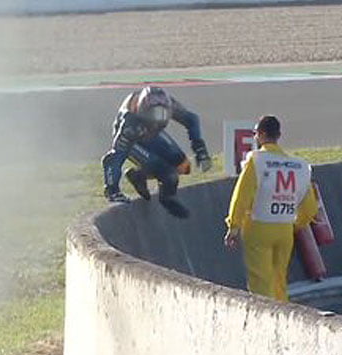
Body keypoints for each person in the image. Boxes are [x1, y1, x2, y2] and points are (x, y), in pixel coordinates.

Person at [224, 115, 318, 302]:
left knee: (260, 281)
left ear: (260, 135)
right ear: (279, 135)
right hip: (285, 230)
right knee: (279, 280)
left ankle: (265, 321)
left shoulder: (257, 161)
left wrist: (233, 226)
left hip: (258, 227)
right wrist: (296, 223)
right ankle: (283, 316)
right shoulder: (300, 166)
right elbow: (310, 207)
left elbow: (241, 196)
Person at [101, 85, 212, 218]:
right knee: (166, 172)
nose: (158, 119)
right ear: (143, 110)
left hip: (152, 135)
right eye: (154, 114)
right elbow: (115, 156)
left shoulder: (168, 105)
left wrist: (199, 148)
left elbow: (191, 119)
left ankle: (139, 175)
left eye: (163, 114)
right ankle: (166, 197)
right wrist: (112, 190)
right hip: (134, 140)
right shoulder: (129, 124)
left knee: (183, 165)